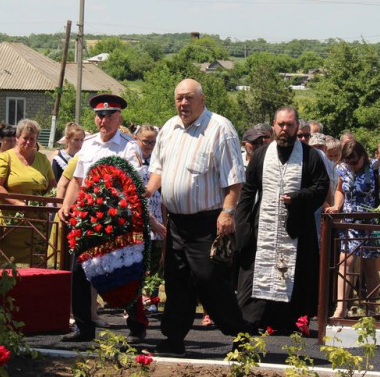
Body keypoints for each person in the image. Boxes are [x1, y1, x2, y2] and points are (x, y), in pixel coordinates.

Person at [145, 79, 252, 357]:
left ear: (202, 100)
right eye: (179, 98)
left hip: (208, 221)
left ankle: (240, 335)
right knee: (176, 281)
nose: (183, 103)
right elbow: (158, 169)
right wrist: (146, 191)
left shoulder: (220, 128)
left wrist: (228, 212)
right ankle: (174, 339)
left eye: (189, 97)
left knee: (209, 280)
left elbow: (234, 179)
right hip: (177, 222)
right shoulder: (169, 128)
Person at [58, 94, 146, 344]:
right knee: (80, 272)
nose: (103, 120)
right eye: (99, 116)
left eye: (109, 116)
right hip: (88, 219)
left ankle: (136, 326)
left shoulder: (129, 146)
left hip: (117, 219)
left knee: (124, 270)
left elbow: (134, 184)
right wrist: (68, 205)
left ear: (119, 118)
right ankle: (84, 327)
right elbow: (78, 180)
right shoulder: (88, 144)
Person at [235, 106, 329, 332]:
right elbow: (247, 192)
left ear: (297, 127)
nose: (284, 129)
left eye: (289, 125)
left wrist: (298, 197)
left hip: (297, 228)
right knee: (257, 271)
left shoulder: (310, 156)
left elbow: (321, 187)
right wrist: (242, 225)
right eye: (281, 124)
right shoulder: (261, 155)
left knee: (296, 274)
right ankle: (253, 319)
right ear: (274, 126)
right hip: (263, 227)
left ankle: (289, 322)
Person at [325, 140, 380, 318]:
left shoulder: (378, 168)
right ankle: (341, 308)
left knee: (369, 267)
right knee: (345, 263)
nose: (352, 166)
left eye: (355, 162)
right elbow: (340, 190)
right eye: (348, 162)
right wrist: (337, 205)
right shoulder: (343, 169)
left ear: (363, 156)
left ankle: (371, 308)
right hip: (349, 224)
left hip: (369, 224)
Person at [0, 119, 56, 267]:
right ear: (17, 138)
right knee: (5, 265)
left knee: (37, 264)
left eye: (32, 139)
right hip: (10, 221)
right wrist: (17, 203)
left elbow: (52, 186)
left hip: (37, 222)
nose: (28, 142)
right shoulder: (5, 157)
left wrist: (46, 201)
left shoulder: (42, 159)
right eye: (25, 138)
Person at [136, 124, 168, 310]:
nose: (149, 145)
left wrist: (163, 220)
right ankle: (136, 300)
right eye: (145, 141)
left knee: (155, 261)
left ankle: (151, 299)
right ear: (137, 140)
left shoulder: (159, 164)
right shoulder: (132, 160)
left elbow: (163, 197)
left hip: (156, 216)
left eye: (153, 142)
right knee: (138, 261)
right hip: (138, 218)